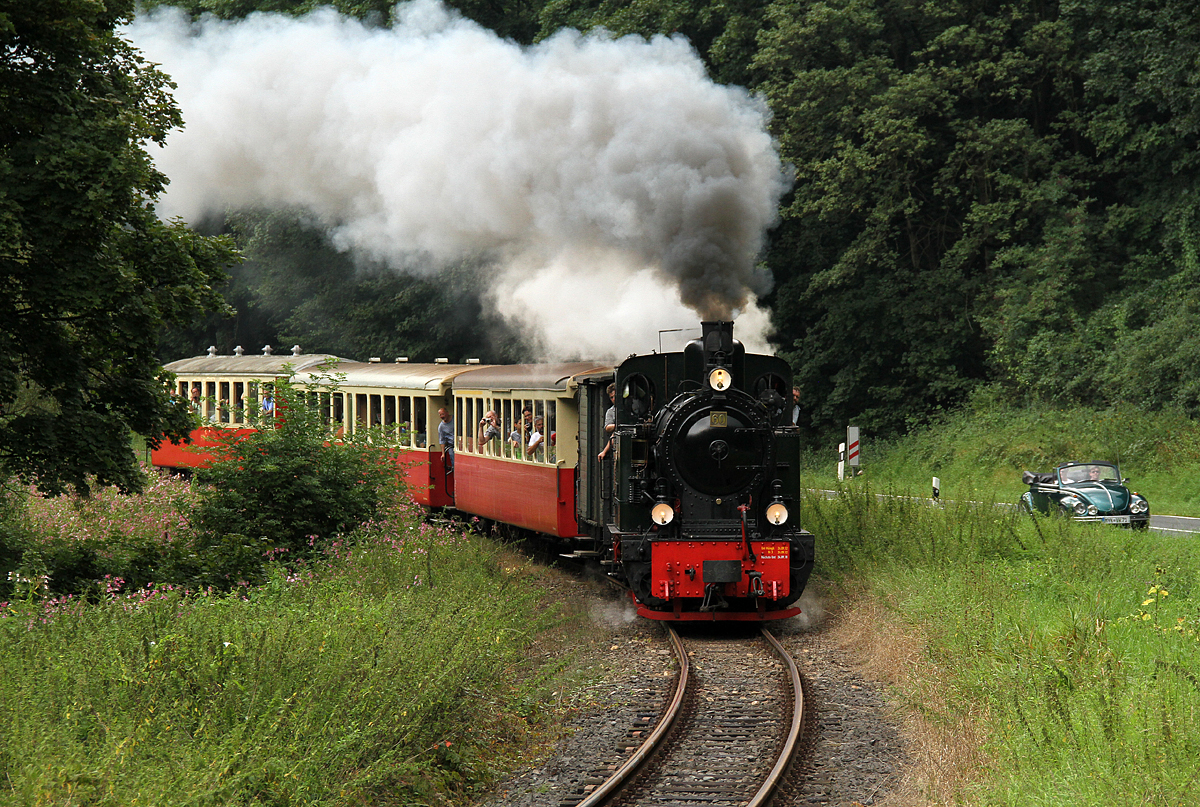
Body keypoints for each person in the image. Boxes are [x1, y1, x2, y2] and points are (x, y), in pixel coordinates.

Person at [598, 383, 616, 461]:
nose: (614, 399)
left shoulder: (636, 406)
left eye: (615, 396)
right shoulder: (611, 411)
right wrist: (617, 426)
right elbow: (607, 427)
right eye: (611, 397)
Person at [437, 407, 454, 472]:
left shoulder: (455, 419)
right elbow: (442, 440)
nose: (442, 416)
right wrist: (443, 453)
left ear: (447, 413)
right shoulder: (441, 427)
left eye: (443, 414)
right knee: (454, 463)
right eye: (440, 415)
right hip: (451, 446)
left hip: (461, 444)